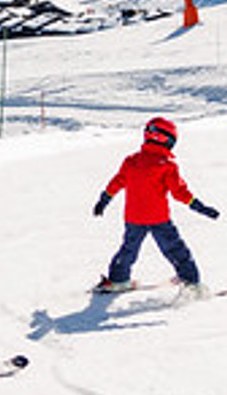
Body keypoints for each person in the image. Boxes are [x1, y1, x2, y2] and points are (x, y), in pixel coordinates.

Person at [92, 116, 219, 298]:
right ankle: (191, 282)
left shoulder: (131, 161)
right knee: (176, 249)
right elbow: (179, 192)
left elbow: (117, 182)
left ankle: (119, 280)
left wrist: (104, 199)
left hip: (134, 218)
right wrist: (200, 207)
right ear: (165, 140)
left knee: (128, 249)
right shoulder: (167, 167)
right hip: (159, 219)